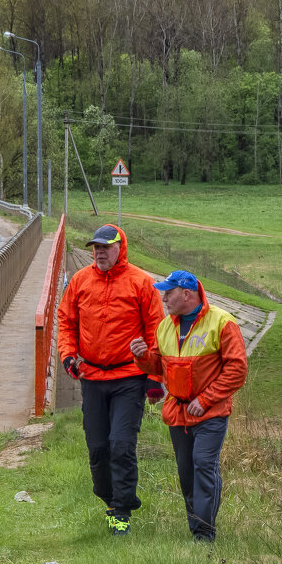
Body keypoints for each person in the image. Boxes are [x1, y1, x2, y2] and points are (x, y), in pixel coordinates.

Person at [58, 224, 165, 536]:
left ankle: (122, 510)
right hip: (91, 376)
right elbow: (66, 320)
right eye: (96, 247)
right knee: (98, 448)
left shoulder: (141, 283)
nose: (99, 252)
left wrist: (154, 376)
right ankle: (109, 498)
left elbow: (155, 331)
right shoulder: (80, 281)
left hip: (129, 377)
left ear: (121, 248)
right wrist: (68, 355)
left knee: (121, 444)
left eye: (106, 247)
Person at [129, 270, 248, 542]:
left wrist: (205, 399)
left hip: (211, 413)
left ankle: (205, 533)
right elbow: (158, 366)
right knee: (186, 472)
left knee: (203, 464)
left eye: (168, 293)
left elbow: (237, 369)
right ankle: (196, 528)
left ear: (186, 293)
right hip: (178, 413)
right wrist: (142, 358)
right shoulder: (166, 326)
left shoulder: (222, 322)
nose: (164, 298)